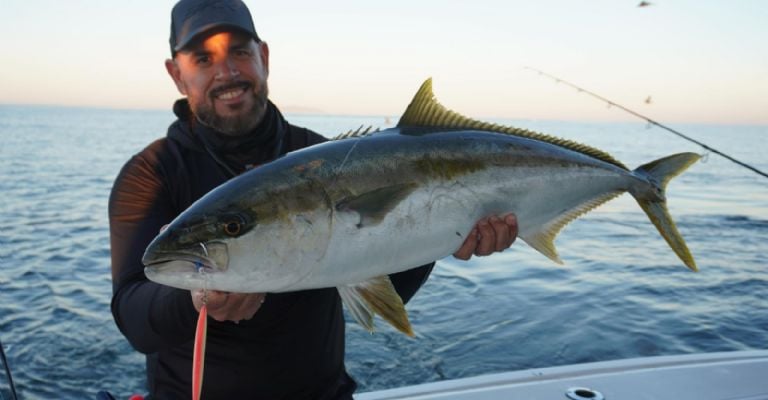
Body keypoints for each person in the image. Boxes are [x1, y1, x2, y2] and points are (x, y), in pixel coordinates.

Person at [108, 0, 519, 398]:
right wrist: (193, 296)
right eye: (203, 59)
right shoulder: (151, 174)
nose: (227, 72)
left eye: (239, 52)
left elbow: (383, 271)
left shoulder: (333, 162)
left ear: (263, 56)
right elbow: (134, 317)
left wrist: (445, 233)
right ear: (176, 74)